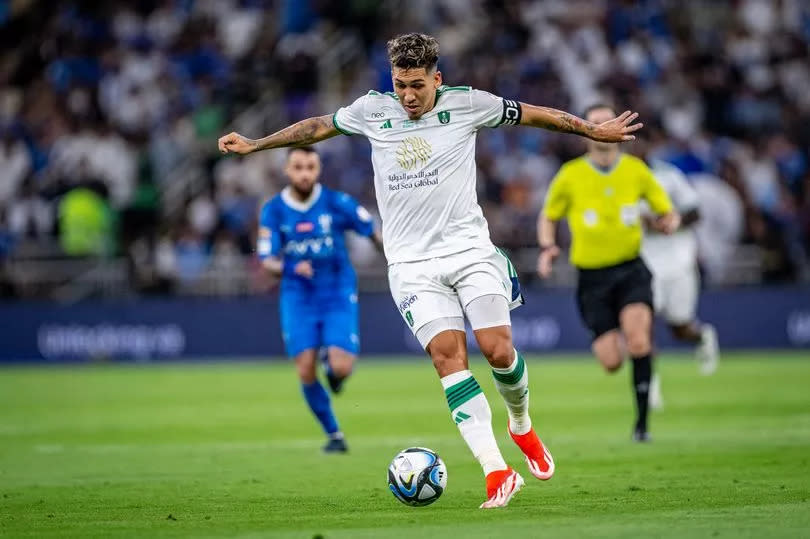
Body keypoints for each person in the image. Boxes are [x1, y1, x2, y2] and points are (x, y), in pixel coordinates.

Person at [220, 33, 642, 508]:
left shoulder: (469, 104)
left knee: (498, 351)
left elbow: (535, 114)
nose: (408, 96)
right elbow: (317, 127)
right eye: (400, 85)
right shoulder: (371, 111)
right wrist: (256, 144)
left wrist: (590, 130)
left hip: (470, 252)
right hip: (412, 266)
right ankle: (496, 471)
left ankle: (521, 425)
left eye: (417, 85)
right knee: (448, 358)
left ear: (436, 79)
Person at [537, 103, 679, 443]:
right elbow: (549, 216)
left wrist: (669, 221)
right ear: (586, 129)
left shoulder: (636, 170)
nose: (604, 126)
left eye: (608, 120)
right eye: (597, 122)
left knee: (639, 341)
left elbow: (666, 210)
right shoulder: (570, 174)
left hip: (631, 269)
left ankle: (642, 426)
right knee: (612, 361)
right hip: (592, 278)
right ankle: (621, 341)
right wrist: (548, 247)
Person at [257, 146, 383, 453]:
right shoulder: (273, 210)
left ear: (318, 170)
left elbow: (373, 233)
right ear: (287, 171)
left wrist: (401, 261)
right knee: (304, 369)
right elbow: (266, 260)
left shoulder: (336, 202)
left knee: (341, 368)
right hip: (298, 296)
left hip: (337, 291)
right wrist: (289, 267)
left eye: (310, 167)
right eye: (298, 167)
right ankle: (335, 435)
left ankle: (334, 369)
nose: (304, 173)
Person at [639, 157, 720, 383]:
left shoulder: (669, 175)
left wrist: (670, 221)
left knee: (680, 327)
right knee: (642, 323)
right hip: (643, 262)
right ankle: (648, 382)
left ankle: (703, 336)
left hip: (678, 260)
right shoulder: (618, 177)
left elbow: (695, 212)